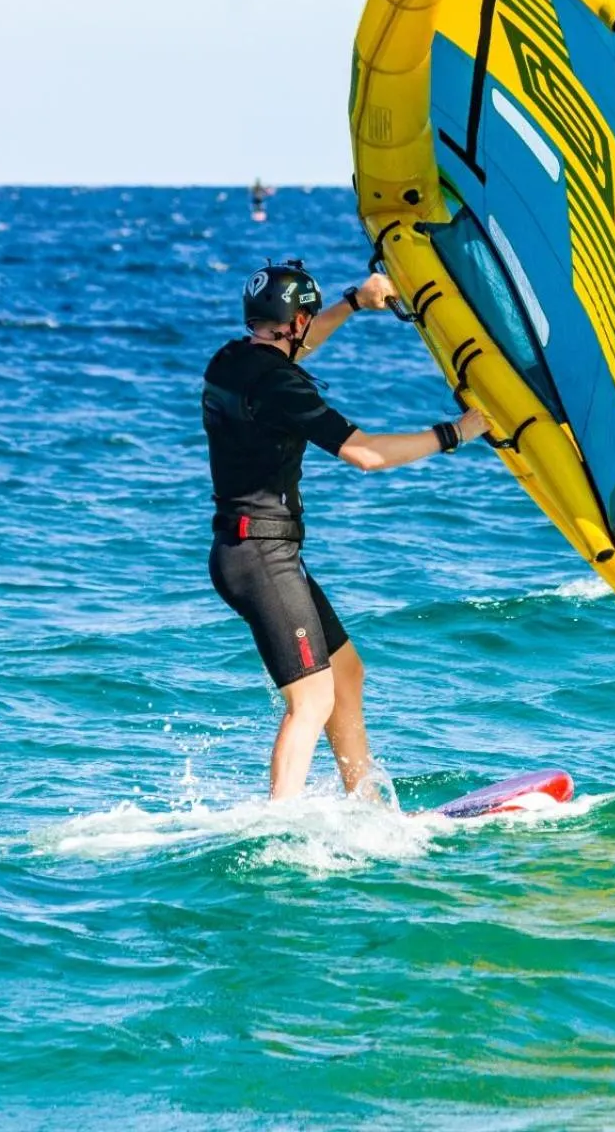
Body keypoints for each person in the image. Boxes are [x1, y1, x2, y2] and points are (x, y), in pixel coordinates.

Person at [202, 259, 488, 801]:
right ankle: (280, 826)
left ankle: (367, 804)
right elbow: (365, 454)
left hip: (253, 550)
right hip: (261, 555)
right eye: (308, 316)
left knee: (346, 674)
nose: (310, 328)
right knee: (311, 698)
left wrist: (354, 303)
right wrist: (457, 432)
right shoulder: (282, 385)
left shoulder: (232, 361)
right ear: (295, 321)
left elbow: (292, 354)